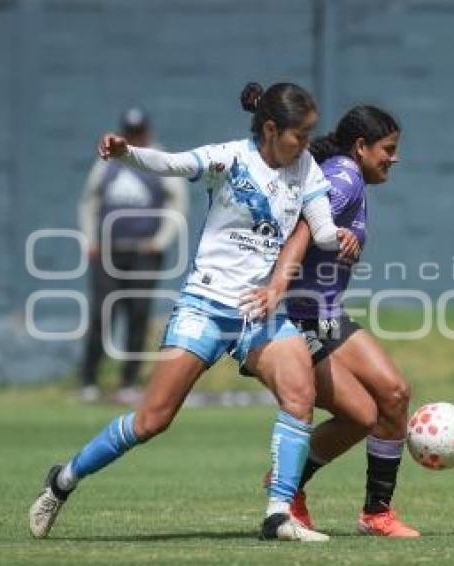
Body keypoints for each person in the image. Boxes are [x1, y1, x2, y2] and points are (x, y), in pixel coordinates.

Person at [28, 82, 360, 542]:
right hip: (204, 307)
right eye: (299, 135)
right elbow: (171, 164)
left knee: (299, 391)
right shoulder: (231, 157)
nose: (306, 144)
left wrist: (340, 238)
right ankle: (63, 480)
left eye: (308, 135)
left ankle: (278, 513)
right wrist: (126, 153)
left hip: (257, 311)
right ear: (270, 128)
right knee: (151, 421)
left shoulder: (304, 168)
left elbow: (321, 229)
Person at [242, 106, 419, 536]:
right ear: (361, 148)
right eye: (387, 150)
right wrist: (278, 286)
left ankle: (376, 514)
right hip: (296, 317)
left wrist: (343, 236)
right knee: (361, 414)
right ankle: (291, 488)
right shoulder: (344, 177)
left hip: (324, 314)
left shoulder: (344, 175)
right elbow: (299, 227)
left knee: (393, 395)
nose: (393, 158)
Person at [78, 107, 189, 405]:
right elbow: (90, 200)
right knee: (102, 313)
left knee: (138, 313)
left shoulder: (158, 159)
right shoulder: (109, 160)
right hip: (109, 251)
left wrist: (160, 240)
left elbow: (176, 203)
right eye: (130, 132)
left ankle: (128, 382)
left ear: (147, 133)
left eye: (138, 133)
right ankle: (88, 380)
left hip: (144, 252)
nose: (134, 137)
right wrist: (90, 239)